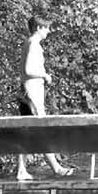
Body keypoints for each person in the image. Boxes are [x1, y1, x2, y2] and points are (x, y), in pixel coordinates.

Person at [16, 15, 76, 183]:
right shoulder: (33, 44)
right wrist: (45, 75)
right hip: (31, 94)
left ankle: (22, 170)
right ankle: (56, 168)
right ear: (39, 28)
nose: (48, 31)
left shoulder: (29, 43)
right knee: (41, 130)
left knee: (26, 133)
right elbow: (28, 70)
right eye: (47, 28)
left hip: (27, 93)